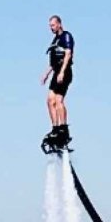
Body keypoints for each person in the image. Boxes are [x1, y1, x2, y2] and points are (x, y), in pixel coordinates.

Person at [40, 15, 74, 151]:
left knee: (59, 100)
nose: (51, 28)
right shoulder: (55, 41)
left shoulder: (66, 36)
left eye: (53, 25)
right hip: (56, 73)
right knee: (49, 100)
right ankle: (55, 128)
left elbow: (68, 55)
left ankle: (63, 129)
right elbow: (53, 62)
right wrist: (46, 74)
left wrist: (62, 72)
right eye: (50, 26)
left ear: (59, 24)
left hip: (64, 72)